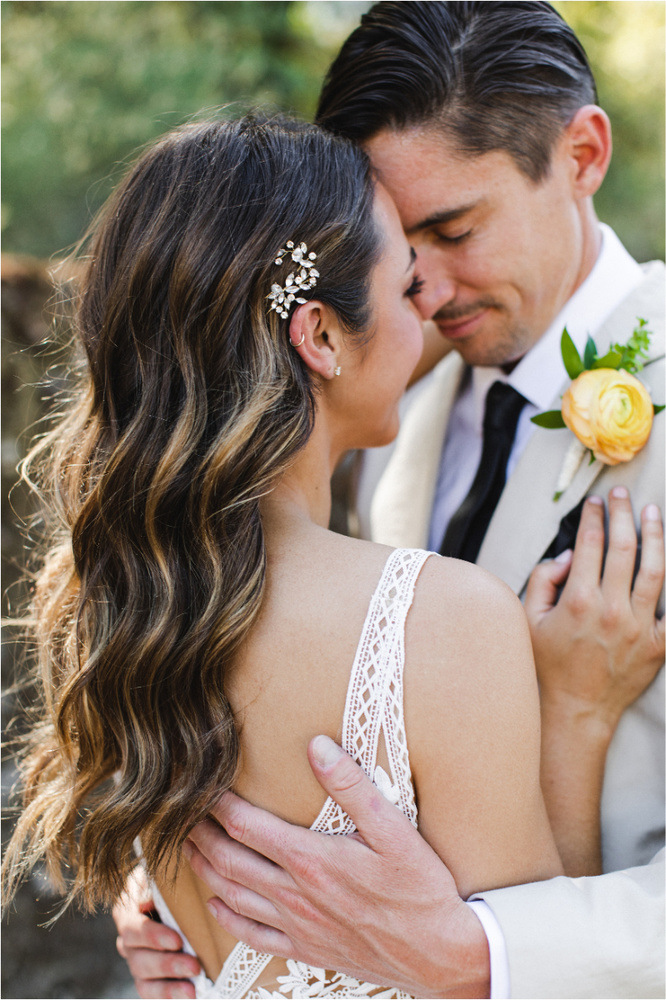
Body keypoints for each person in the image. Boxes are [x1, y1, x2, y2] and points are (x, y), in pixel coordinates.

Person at [7, 111, 637, 999]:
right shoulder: (439, 623)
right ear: (322, 337)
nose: (429, 314)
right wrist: (577, 714)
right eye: (405, 286)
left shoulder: (117, 603)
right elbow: (536, 976)